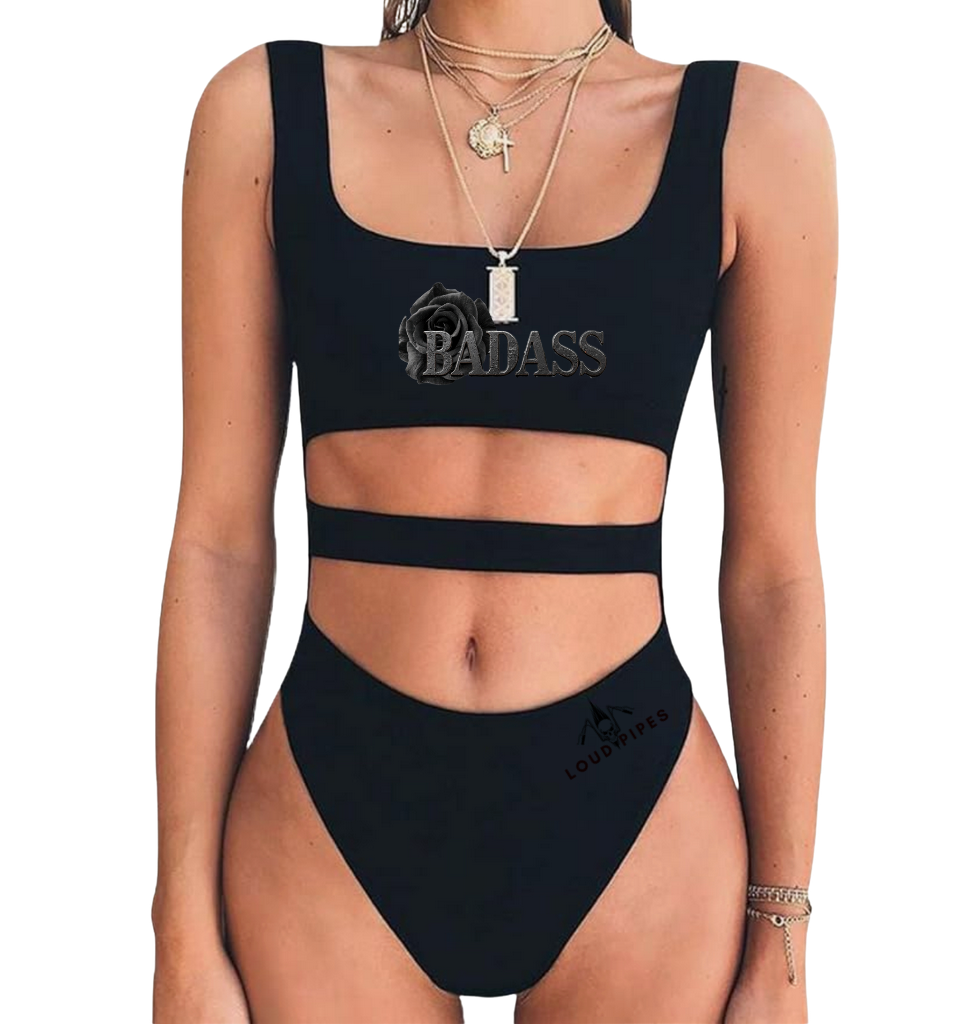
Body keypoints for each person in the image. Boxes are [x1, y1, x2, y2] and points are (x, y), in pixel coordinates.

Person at [152, 1, 836, 1021]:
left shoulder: (752, 134)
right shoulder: (267, 112)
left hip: (634, 806)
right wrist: (179, 926)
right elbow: (218, 544)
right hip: (329, 809)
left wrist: (782, 935)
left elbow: (773, 568)